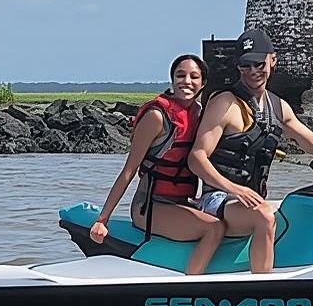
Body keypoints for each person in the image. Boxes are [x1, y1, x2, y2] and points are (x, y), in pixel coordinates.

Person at [188, 28, 313, 274]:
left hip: (249, 201)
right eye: (245, 65)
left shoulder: (277, 106)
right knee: (264, 216)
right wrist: (235, 190)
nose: (253, 71)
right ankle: (262, 290)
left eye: (259, 63)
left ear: (273, 60)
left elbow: (312, 143)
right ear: (238, 66)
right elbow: (197, 158)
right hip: (217, 199)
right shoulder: (224, 103)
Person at [89, 54, 225, 275]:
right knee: (215, 228)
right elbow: (129, 170)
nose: (186, 82)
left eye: (194, 76)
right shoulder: (157, 116)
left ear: (203, 84)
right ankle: (192, 288)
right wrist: (103, 219)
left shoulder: (199, 114)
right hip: (150, 206)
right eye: (180, 75)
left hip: (181, 203)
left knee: (227, 218)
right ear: (172, 80)